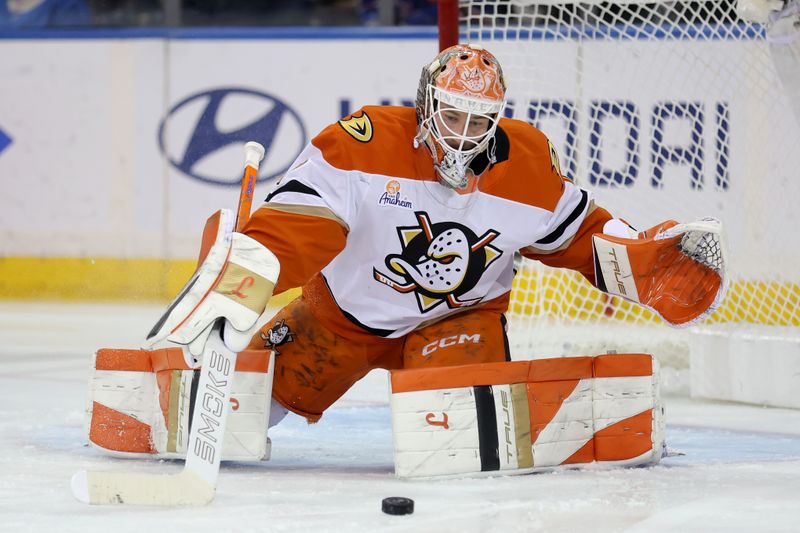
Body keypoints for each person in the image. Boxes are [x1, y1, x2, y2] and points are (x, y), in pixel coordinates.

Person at [92, 44, 724, 477]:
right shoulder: (362, 144)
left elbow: (582, 235)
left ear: (498, 118)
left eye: (480, 119)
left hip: (457, 322)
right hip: (340, 320)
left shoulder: (527, 164)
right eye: (452, 114)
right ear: (426, 105)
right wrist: (241, 280)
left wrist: (652, 261)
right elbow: (298, 224)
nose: (464, 132)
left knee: (457, 449)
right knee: (242, 409)